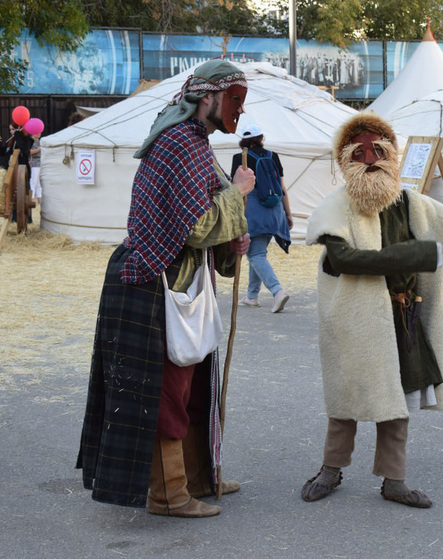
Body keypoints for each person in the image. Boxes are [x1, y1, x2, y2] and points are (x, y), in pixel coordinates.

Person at [300, 113, 443, 508]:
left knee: (396, 398)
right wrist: (415, 254)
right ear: (345, 161)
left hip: (403, 318)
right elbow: (345, 260)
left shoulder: (412, 202)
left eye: (378, 150)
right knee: (347, 396)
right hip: (354, 321)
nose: (370, 159)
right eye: (359, 152)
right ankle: (331, 469)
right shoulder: (336, 207)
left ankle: (393, 480)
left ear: (392, 155)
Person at [77, 60, 256, 518]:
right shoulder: (179, 142)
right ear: (207, 96)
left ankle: (197, 477)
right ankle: (168, 493)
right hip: (152, 281)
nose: (238, 108)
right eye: (233, 98)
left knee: (193, 387)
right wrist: (237, 195)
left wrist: (233, 235)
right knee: (167, 392)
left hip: (181, 282)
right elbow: (196, 226)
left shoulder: (196, 142)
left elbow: (203, 223)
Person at [230, 123, 292, 312]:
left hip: (254, 212)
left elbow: (236, 189)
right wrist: (287, 214)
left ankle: (277, 291)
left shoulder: (239, 158)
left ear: (243, 140)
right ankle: (252, 296)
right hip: (275, 212)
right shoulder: (273, 156)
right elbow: (282, 188)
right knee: (257, 253)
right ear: (261, 138)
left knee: (255, 254)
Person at [29, 133, 42, 203]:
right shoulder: (31, 141)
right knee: (33, 181)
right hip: (34, 162)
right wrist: (38, 150)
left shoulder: (39, 141)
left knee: (38, 182)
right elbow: (29, 151)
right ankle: (32, 198)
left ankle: (39, 199)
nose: (39, 134)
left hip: (40, 162)